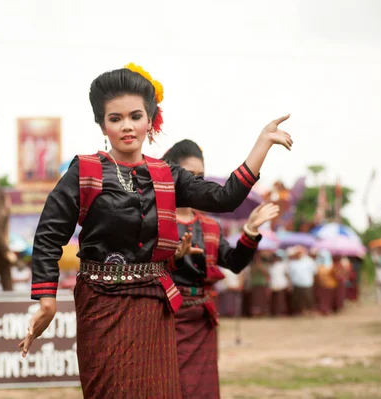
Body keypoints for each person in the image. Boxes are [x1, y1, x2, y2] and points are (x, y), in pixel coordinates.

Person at [20, 64, 293, 397]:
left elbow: (224, 197)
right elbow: (49, 235)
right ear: (102, 124)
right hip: (102, 307)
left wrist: (261, 144)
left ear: (150, 120)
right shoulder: (86, 170)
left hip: (154, 306)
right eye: (115, 118)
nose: (127, 126)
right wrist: (47, 301)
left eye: (136, 116)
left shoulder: (168, 174)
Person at [162, 139, 279, 398]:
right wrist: (175, 258)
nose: (194, 183)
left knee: (202, 389)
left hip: (201, 320)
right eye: (188, 175)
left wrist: (250, 229)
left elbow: (235, 262)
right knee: (167, 387)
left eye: (200, 177)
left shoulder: (209, 226)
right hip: (163, 319)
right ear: (169, 173)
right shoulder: (154, 221)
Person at [287, 246, 317, 316]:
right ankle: (299, 312)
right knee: (297, 299)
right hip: (296, 284)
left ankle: (309, 311)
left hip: (307, 283)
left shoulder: (309, 261)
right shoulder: (292, 262)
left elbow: (314, 272)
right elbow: (289, 274)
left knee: (308, 298)